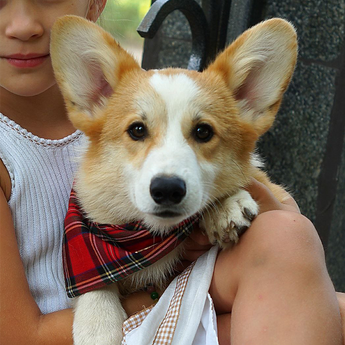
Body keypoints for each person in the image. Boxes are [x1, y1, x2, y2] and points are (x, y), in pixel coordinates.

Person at [0, 1, 343, 344]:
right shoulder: (87, 127)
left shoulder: (113, 110)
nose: (22, 26)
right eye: (138, 131)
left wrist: (232, 204)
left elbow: (280, 214)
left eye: (202, 132)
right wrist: (110, 294)